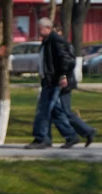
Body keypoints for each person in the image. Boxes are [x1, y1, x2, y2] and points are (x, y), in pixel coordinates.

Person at [26, 17, 95, 149]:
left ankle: (41, 139)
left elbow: (68, 60)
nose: (38, 31)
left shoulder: (56, 41)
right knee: (56, 111)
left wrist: (63, 76)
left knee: (44, 110)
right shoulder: (47, 41)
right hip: (48, 80)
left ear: (47, 28)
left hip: (54, 81)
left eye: (40, 28)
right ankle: (74, 135)